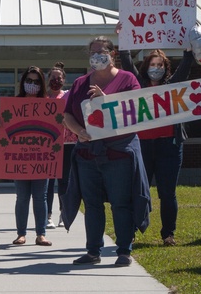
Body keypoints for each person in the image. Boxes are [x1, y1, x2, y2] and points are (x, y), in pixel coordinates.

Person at [61, 36, 150, 266]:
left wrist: (106, 100)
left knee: (121, 202)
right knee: (92, 204)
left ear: (113, 54)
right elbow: (67, 115)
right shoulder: (80, 83)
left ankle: (123, 251)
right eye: (92, 52)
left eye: (101, 51)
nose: (96, 56)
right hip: (87, 155)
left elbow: (137, 112)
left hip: (118, 154)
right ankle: (93, 252)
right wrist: (79, 130)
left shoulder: (128, 80)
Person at [119, 47, 194, 246]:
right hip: (142, 145)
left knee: (167, 193)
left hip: (169, 146)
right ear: (146, 67)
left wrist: (188, 52)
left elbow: (185, 69)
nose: (156, 68)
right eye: (152, 65)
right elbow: (127, 65)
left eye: (160, 65)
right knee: (138, 189)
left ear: (165, 67)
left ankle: (168, 234)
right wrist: (124, 46)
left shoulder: (172, 85)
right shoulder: (138, 84)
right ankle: (132, 230)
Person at [0, 67, 53, 247]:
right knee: (22, 197)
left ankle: (41, 234)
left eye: (36, 82)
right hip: (20, 159)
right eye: (28, 81)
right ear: (23, 83)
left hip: (41, 159)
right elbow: (6, 129)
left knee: (40, 197)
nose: (32, 85)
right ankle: (21, 234)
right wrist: (0, 124)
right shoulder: (15, 103)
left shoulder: (48, 104)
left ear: (41, 84)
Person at [45, 62, 76, 228]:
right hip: (47, 145)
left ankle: (64, 214)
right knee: (48, 182)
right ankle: (47, 215)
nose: (56, 80)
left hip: (68, 143)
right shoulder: (42, 99)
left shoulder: (69, 96)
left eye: (59, 78)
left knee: (65, 181)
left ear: (64, 80)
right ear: (48, 79)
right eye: (53, 77)